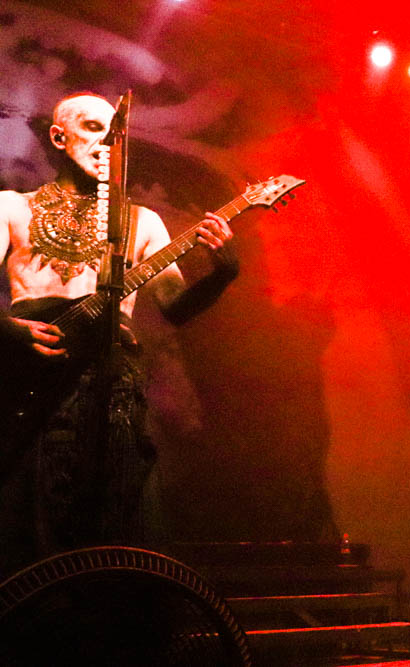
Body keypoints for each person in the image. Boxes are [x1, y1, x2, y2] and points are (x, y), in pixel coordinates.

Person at [0, 92, 239, 578]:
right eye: (92, 129)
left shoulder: (143, 222)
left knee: (119, 513)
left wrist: (222, 273)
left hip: (112, 386)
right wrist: (8, 329)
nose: (105, 144)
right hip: (32, 381)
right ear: (59, 137)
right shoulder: (11, 206)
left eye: (115, 136)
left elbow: (176, 308)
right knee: (30, 513)